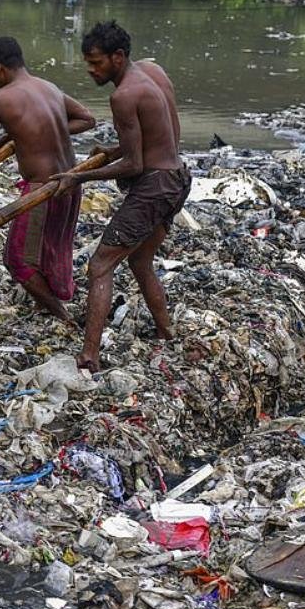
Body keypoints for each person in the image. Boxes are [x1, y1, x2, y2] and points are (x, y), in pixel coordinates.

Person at [52, 21, 190, 373]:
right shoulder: (151, 73)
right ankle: (165, 330)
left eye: (96, 62)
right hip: (177, 178)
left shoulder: (123, 96)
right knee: (139, 261)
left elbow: (134, 164)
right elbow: (160, 134)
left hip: (154, 187)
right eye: (88, 62)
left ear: (118, 57)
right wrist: (113, 150)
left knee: (101, 264)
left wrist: (77, 176)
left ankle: (89, 355)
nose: (91, 70)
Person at [0, 36, 97, 323]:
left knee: (19, 261)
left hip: (43, 189)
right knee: (51, 246)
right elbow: (87, 119)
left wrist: (11, 134)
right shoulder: (48, 88)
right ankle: (49, 304)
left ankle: (61, 314)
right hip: (71, 181)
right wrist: (38, 131)